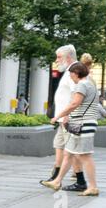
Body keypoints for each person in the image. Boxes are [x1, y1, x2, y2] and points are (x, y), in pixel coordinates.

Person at [41, 62, 99, 196]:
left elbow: (74, 103)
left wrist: (58, 116)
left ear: (76, 73)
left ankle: (93, 187)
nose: (70, 77)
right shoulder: (89, 84)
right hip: (79, 124)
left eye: (71, 74)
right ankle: (57, 181)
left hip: (83, 124)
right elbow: (78, 105)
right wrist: (68, 116)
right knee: (68, 153)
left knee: (85, 156)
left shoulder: (82, 85)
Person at [40, 45, 88, 192]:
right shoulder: (69, 72)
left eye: (59, 57)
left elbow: (76, 97)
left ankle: (80, 181)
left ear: (68, 58)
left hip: (68, 119)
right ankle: (56, 177)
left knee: (70, 151)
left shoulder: (74, 73)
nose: (56, 60)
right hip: (63, 120)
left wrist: (67, 115)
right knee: (60, 146)